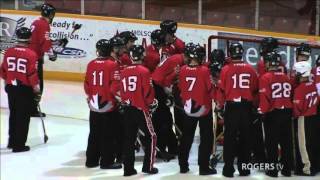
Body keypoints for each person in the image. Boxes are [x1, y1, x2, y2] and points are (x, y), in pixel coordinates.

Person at [218, 43, 258, 177]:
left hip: (232, 107)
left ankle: (228, 169)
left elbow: (222, 90)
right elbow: (254, 89)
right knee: (246, 138)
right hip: (246, 107)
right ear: (242, 53)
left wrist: (220, 106)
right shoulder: (250, 69)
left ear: (230, 53)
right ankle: (244, 168)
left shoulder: (225, 69)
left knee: (229, 138)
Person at [178, 44, 217, 175]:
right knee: (206, 138)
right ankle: (204, 167)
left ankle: (183, 165)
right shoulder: (204, 70)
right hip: (203, 109)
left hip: (189, 108)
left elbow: (180, 88)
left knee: (186, 137)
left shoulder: (183, 69)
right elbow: (210, 89)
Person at [151, 43, 196, 156]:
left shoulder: (177, 59)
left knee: (164, 119)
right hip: (158, 88)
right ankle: (165, 148)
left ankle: (169, 147)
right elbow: (164, 80)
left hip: (158, 87)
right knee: (165, 120)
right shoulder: (177, 61)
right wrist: (170, 88)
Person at [120, 45, 158, 176]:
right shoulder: (144, 71)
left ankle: (128, 169)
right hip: (140, 109)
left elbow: (121, 91)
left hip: (127, 109)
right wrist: (152, 103)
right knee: (151, 136)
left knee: (129, 139)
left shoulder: (124, 71)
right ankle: (148, 167)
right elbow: (148, 92)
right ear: (142, 56)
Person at [0, 27, 40, 152]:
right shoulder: (31, 54)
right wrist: (36, 88)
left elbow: (3, 70)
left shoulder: (9, 51)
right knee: (23, 116)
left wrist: (7, 83)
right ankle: (19, 145)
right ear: (29, 38)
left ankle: (12, 141)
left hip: (11, 87)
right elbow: (32, 74)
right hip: (24, 89)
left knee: (14, 114)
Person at [84, 39, 122, 169]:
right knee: (108, 135)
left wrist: (90, 97)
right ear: (110, 50)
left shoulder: (90, 64)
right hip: (108, 106)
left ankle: (91, 160)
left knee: (94, 133)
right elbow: (114, 88)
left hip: (94, 105)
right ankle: (107, 162)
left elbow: (87, 85)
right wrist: (119, 99)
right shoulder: (113, 64)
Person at [258, 51, 293, 177]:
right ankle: (287, 169)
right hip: (287, 112)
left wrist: (262, 111)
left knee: (271, 143)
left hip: (273, 113)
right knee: (286, 142)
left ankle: (272, 170)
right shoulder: (286, 76)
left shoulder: (265, 77)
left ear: (268, 63)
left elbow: (265, 99)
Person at [29, 3, 60, 117]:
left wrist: (54, 42)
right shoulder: (44, 24)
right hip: (35, 58)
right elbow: (45, 43)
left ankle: (27, 107)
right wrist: (52, 55)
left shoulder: (36, 22)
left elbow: (39, 40)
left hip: (29, 57)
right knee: (37, 84)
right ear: (50, 14)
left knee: (29, 83)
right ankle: (32, 109)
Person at [293, 61, 319, 176]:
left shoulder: (299, 89)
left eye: (296, 72)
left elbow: (297, 108)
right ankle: (315, 166)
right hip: (314, 116)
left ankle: (307, 168)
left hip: (304, 118)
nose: (294, 75)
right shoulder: (313, 85)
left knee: (303, 144)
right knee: (313, 143)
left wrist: (295, 115)